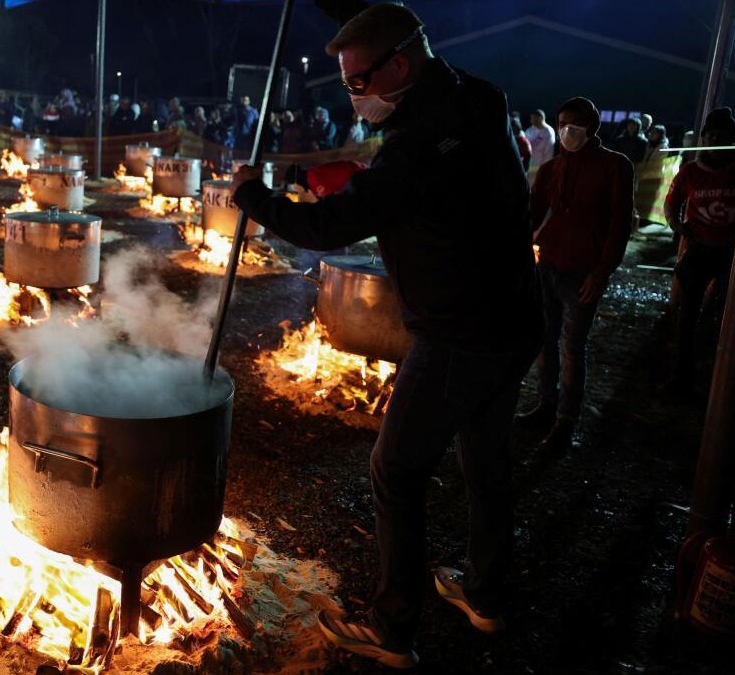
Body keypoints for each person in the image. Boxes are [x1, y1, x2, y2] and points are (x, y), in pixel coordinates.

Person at [231, 4, 542, 667]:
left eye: (356, 82)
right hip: (517, 316)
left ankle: (393, 626)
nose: (355, 96)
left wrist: (254, 198)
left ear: (397, 64)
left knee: (395, 470)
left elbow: (326, 230)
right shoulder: (481, 99)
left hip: (459, 333)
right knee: (486, 459)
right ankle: (486, 596)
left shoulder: (416, 150)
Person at [519, 97, 634, 453]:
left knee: (572, 345)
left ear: (592, 126)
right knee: (545, 340)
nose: (567, 130)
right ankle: (546, 405)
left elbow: (619, 224)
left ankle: (567, 418)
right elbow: (533, 214)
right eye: (562, 123)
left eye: (575, 124)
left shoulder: (615, 166)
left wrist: (601, 272)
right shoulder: (552, 169)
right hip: (549, 266)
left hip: (583, 271)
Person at [662, 108, 735, 392]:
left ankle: (718, 378)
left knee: (722, 318)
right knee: (688, 316)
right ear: (704, 139)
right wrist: (676, 225)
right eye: (711, 135)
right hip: (701, 249)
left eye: (723, 136)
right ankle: (682, 375)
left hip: (733, 255)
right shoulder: (691, 171)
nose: (716, 140)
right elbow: (671, 203)